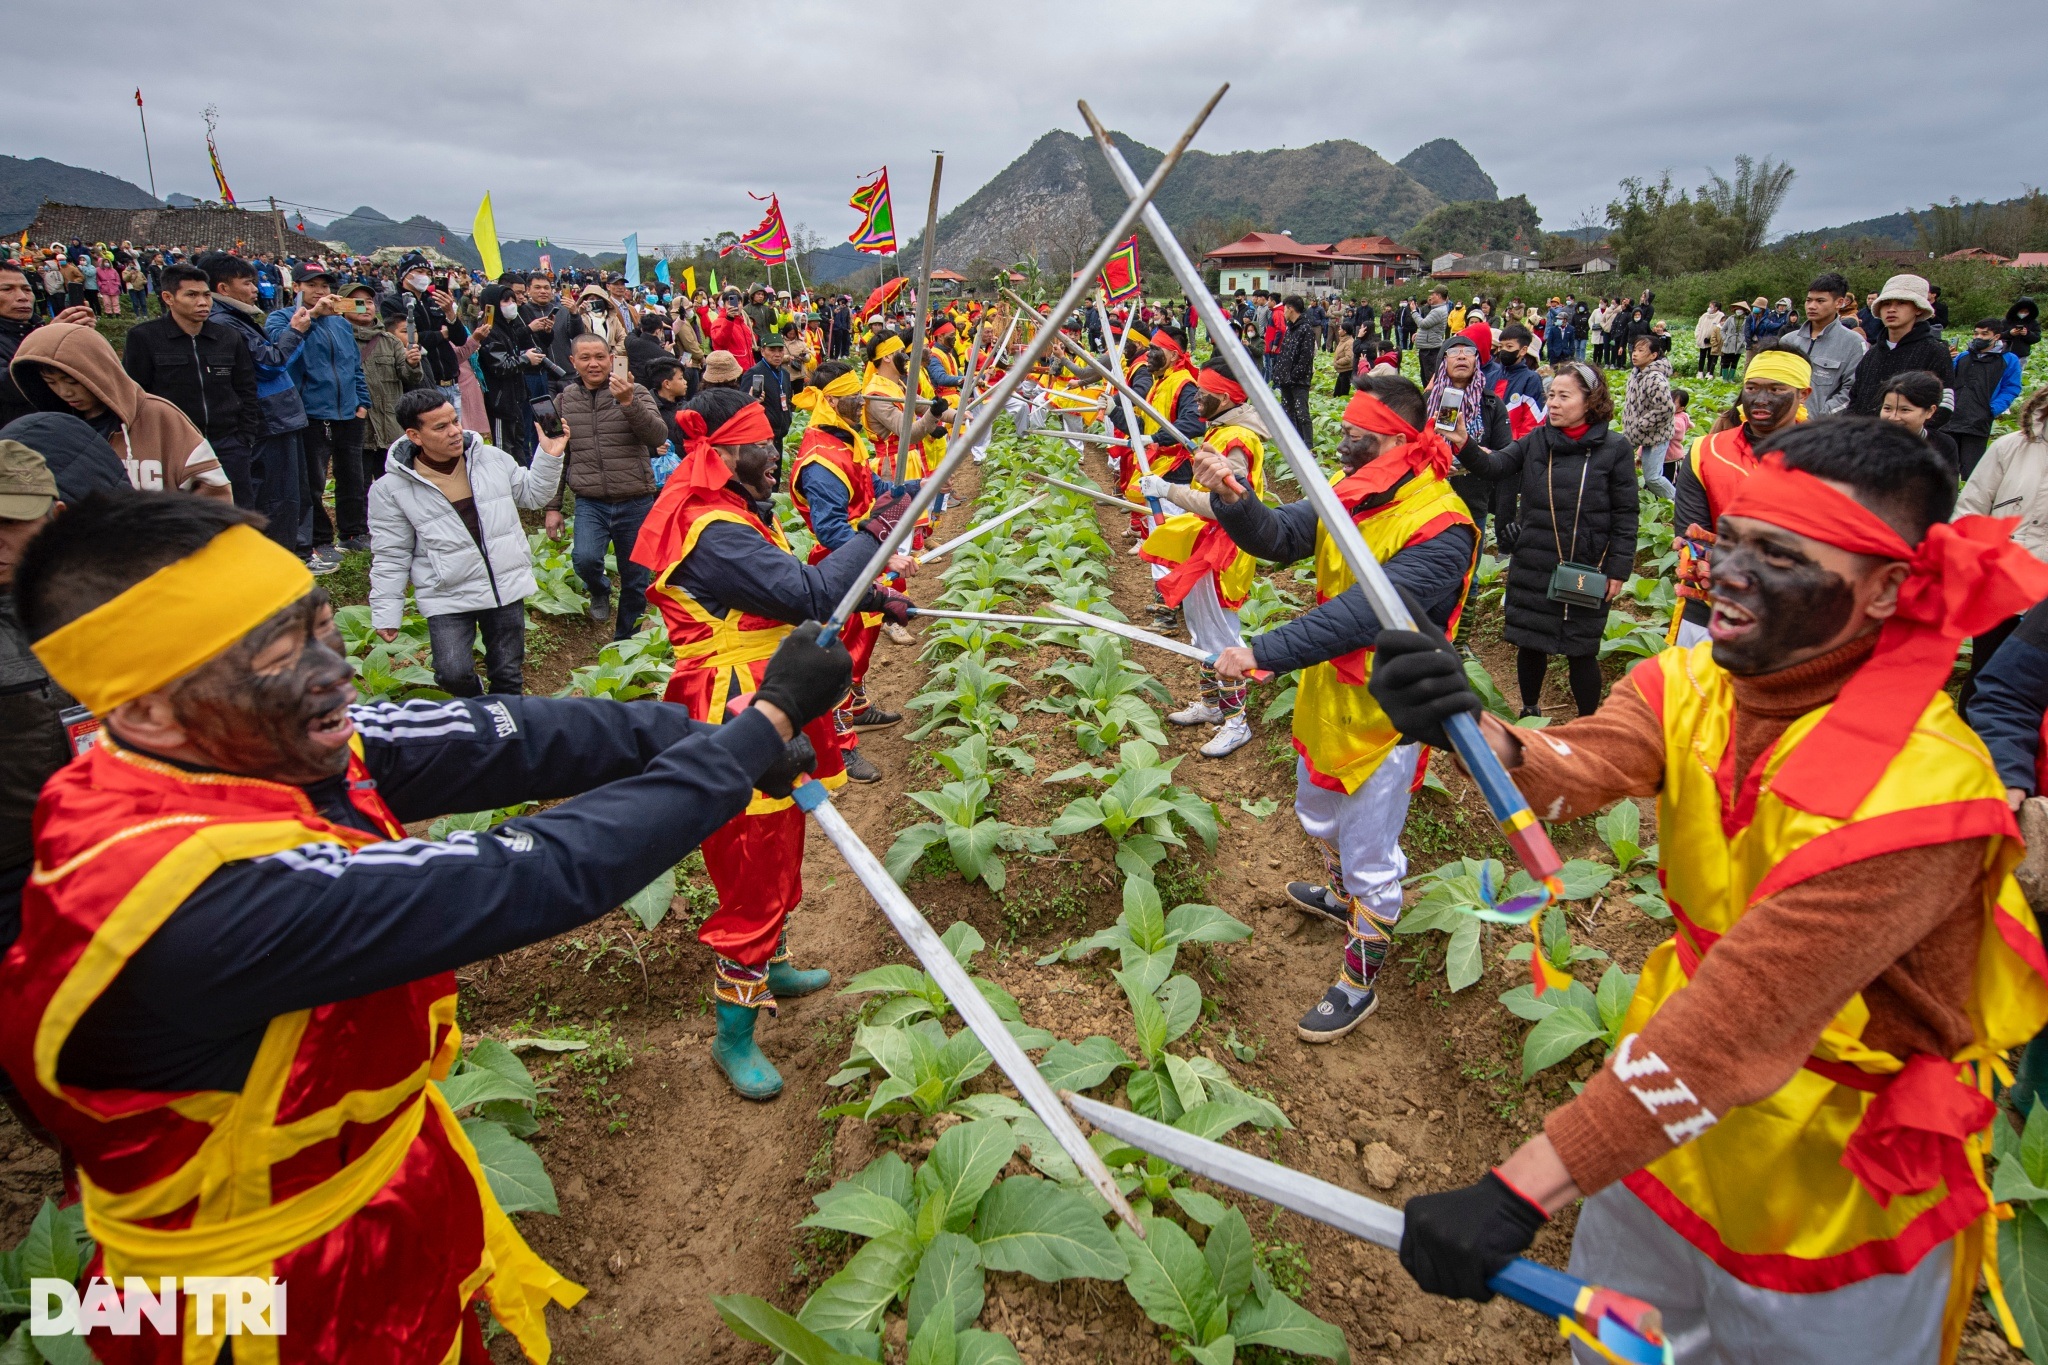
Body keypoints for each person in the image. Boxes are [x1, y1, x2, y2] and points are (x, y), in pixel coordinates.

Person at [1, 484, 846, 1362]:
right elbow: (526, 872)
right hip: (244, 1308)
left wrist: (694, 733)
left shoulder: (248, 747)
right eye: (279, 653)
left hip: (370, 1208)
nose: (335, 671)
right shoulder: (184, 899)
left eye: (322, 626)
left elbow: (505, 735)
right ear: (143, 711)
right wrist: (762, 726)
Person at [1378, 419, 2048, 1365]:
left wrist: (1520, 1188)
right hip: (1662, 1133)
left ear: (1886, 588)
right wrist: (1475, 732)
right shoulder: (1693, 681)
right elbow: (1585, 762)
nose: (1723, 575)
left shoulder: (1924, 790)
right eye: (1728, 540)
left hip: (1829, 1183)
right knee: (1623, 1343)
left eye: (1776, 555)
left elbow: (1747, 1014)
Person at [631, 399, 911, 1097]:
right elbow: (806, 589)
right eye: (762, 447)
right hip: (735, 702)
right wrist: (876, 529)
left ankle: (773, 961)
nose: (775, 460)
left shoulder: (729, 508)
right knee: (752, 860)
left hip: (767, 682)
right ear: (725, 455)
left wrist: (872, 596)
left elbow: (795, 598)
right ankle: (734, 1035)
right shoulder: (711, 530)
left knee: (781, 837)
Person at [1199, 373, 1476, 1040]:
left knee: (1373, 853)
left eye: (1359, 438)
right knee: (1316, 812)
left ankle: (1359, 979)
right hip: (1328, 691)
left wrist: (1262, 649)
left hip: (1391, 711)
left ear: (1403, 443)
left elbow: (1364, 613)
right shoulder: (1352, 494)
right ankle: (1345, 892)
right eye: (1345, 434)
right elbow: (1278, 535)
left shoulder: (1443, 527)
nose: (1344, 447)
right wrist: (1232, 496)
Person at [1457, 362, 1638, 718]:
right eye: (1550, 395)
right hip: (1535, 559)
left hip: (1588, 563)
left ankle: (1588, 721)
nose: (1552, 403)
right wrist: (1464, 442)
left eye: (1563, 396)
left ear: (1590, 401)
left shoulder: (1615, 448)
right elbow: (1495, 467)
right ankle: (1529, 710)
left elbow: (1626, 513)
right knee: (1531, 642)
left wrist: (1618, 567)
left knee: (1582, 649)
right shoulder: (1536, 441)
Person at [369, 390, 567, 696]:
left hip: (503, 586)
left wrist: (550, 455)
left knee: (507, 674)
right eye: (440, 427)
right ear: (414, 435)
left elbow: (533, 495)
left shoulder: (490, 458)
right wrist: (386, 612)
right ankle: (480, 717)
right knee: (452, 673)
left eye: (455, 420)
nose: (454, 431)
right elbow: (390, 555)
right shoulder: (391, 489)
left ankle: (508, 735)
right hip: (447, 594)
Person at [787, 361, 915, 783]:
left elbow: (870, 488)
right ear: (832, 400)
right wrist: (883, 557)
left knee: (864, 640)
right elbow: (829, 527)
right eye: (853, 395)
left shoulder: (842, 440)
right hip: (839, 564)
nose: (861, 400)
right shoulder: (821, 461)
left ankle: (858, 709)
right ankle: (840, 745)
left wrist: (909, 490)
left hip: (863, 555)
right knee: (838, 656)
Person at [1136, 358, 1270, 758]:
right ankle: (1212, 706)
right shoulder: (1224, 430)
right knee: (1201, 632)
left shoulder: (1237, 441)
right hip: (1208, 543)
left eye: (1204, 392)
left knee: (1222, 639)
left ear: (1226, 396)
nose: (1195, 397)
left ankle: (1236, 721)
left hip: (1223, 549)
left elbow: (1226, 505)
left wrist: (1167, 490)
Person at [11, 322, 232, 501]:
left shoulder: (160, 416)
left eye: (73, 382)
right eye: (51, 383)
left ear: (100, 371)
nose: (65, 392)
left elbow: (212, 490)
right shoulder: (51, 433)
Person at [542, 333, 666, 639]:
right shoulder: (563, 401)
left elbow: (658, 436)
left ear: (612, 359)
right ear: (573, 362)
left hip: (635, 500)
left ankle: (625, 643)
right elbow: (558, 457)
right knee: (584, 560)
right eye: (585, 358)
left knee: (636, 580)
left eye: (600, 357)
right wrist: (553, 507)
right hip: (590, 501)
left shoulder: (635, 391)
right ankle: (599, 588)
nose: (593, 364)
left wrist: (628, 403)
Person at [122, 262, 260, 502]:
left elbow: (246, 387)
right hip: (173, 446)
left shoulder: (227, 337)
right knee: (184, 515)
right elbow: (136, 393)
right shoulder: (144, 337)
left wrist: (244, 436)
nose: (203, 302)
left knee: (236, 511)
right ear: (168, 297)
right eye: (192, 295)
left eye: (206, 295)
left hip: (227, 442)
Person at [204, 253, 311, 559]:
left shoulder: (236, 319)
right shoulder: (226, 323)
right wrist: (295, 332)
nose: (256, 289)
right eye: (248, 282)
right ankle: (279, 561)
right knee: (277, 497)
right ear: (223, 288)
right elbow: (270, 363)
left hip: (278, 417)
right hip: (270, 418)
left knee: (286, 494)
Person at [271, 264, 374, 562]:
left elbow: (354, 366)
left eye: (325, 286)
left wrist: (362, 402)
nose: (320, 291)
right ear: (297, 289)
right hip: (311, 413)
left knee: (352, 476)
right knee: (312, 481)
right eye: (312, 285)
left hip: (348, 412)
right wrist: (312, 317)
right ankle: (319, 539)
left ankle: (354, 533)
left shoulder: (341, 324)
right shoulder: (282, 319)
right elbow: (282, 350)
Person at [1432, 333, 1511, 546]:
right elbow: (1405, 449)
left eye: (1468, 352)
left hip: (1473, 500)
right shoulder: (1425, 403)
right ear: (1443, 361)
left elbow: (1506, 454)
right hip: (1430, 500)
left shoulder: (1491, 403)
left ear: (1476, 361)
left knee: (1470, 574)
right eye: (1453, 352)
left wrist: (1487, 455)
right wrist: (1432, 460)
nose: (1461, 357)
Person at [0, 260, 95, 429]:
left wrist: (80, 339)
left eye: (27, 289)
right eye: (7, 289)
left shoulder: (38, 327)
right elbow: (10, 387)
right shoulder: (44, 332)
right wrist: (50, 339)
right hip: (19, 441)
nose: (22, 297)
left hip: (69, 430)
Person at [1847, 274, 1955, 417]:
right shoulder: (1872, 353)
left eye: (1901, 303)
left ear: (1918, 308)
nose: (1891, 309)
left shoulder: (1935, 351)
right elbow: (1855, 399)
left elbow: (1944, 406)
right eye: (1886, 303)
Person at [388, 253, 470, 418]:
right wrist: (441, 334)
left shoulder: (434, 301)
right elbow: (408, 339)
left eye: (427, 273)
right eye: (419, 271)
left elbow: (460, 339)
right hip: (425, 382)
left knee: (454, 435)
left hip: (451, 381)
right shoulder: (393, 303)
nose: (424, 277)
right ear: (404, 274)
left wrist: (450, 314)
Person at [1771, 273, 1865, 416]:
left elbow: (1852, 391)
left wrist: (1820, 418)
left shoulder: (1854, 344)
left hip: (1823, 430)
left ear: (1839, 303)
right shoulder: (1788, 341)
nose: (1812, 306)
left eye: (1820, 301)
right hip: (1782, 425)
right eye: (1809, 300)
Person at [1950, 318, 2026, 478]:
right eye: (1976, 333)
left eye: (1985, 334)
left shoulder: (2009, 359)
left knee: (1971, 471)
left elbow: (2012, 387)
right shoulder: (1963, 357)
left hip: (1978, 420)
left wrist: (1993, 409)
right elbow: (1947, 380)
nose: (1979, 337)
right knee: (1945, 468)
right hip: (1951, 419)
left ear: (1996, 336)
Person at [1623, 333, 1678, 499]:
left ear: (1653, 355)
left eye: (1641, 350)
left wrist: (1641, 424)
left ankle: (1680, 504)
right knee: (1614, 462)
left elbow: (1666, 408)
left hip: (1655, 436)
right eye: (1634, 349)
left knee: (1653, 478)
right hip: (1635, 433)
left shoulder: (1655, 377)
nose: (1634, 354)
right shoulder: (1636, 373)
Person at [1877, 371, 1961, 477]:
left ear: (1930, 411)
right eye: (1887, 408)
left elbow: (1947, 489)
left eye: (1905, 410)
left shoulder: (1943, 445)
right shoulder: (1866, 443)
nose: (1893, 417)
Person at [1272, 295, 1317, 444]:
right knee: (1288, 412)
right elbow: (1284, 353)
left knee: (1302, 413)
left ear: (1291, 309)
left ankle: (1309, 446)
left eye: (1285, 308)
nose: (1284, 311)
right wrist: (1280, 374)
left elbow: (1306, 357)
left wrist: (1294, 375)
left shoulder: (1306, 329)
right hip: (1286, 379)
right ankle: (1294, 443)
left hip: (1299, 380)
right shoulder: (1290, 328)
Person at [1413, 287, 1450, 383]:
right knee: (1425, 376)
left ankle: (1429, 397)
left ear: (1438, 296)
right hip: (1429, 347)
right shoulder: (1438, 309)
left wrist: (1413, 311)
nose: (1431, 296)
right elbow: (1431, 328)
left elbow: (1423, 324)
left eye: (1433, 294)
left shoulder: (1438, 311)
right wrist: (1419, 334)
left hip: (1430, 350)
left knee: (1429, 378)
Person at [1717, 302, 1748, 380]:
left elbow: (1748, 332)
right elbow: (1723, 330)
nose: (1738, 310)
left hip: (1740, 343)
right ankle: (1724, 379)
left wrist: (1744, 341)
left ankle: (1731, 378)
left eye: (1740, 309)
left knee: (1735, 362)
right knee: (1725, 361)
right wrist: (1725, 338)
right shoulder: (1730, 318)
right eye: (1737, 309)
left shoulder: (1747, 320)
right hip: (1729, 342)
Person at [1692, 303, 1723, 379]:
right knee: (1702, 356)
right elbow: (1699, 326)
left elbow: (1720, 328)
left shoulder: (1721, 316)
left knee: (1711, 356)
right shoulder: (1704, 315)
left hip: (1713, 340)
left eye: (1711, 306)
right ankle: (1700, 372)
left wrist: (1711, 338)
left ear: (1716, 308)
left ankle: (1709, 372)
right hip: (1702, 339)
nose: (1709, 308)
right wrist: (1698, 335)